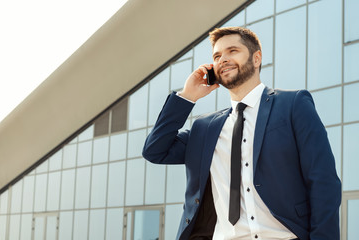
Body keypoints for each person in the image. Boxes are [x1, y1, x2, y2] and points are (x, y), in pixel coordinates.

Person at [142, 27, 341, 240]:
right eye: (217, 56)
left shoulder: (293, 105)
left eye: (232, 51)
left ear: (257, 59)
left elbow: (323, 180)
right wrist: (186, 96)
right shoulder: (205, 128)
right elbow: (155, 151)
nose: (223, 59)